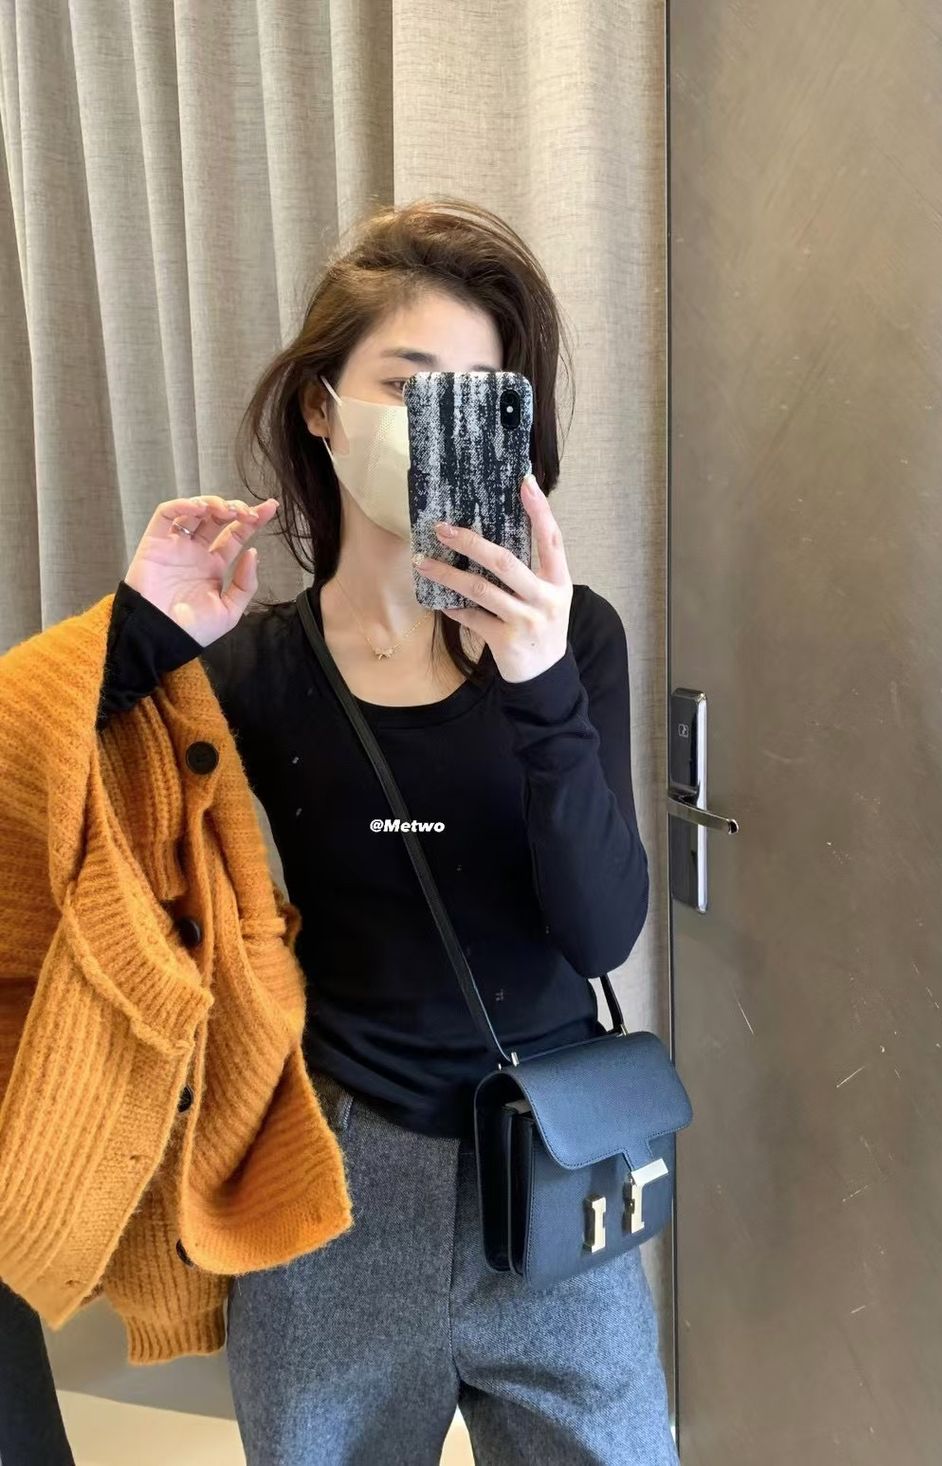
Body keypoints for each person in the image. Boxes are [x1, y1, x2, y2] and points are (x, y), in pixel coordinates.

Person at [6, 199, 677, 1464]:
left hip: (549, 1162)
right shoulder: (251, 667)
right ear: (321, 406)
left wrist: (539, 686)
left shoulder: (572, 636)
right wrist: (139, 637)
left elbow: (601, 928)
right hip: (328, 1175)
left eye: (475, 394)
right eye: (406, 385)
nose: (434, 423)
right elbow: (44, 809)